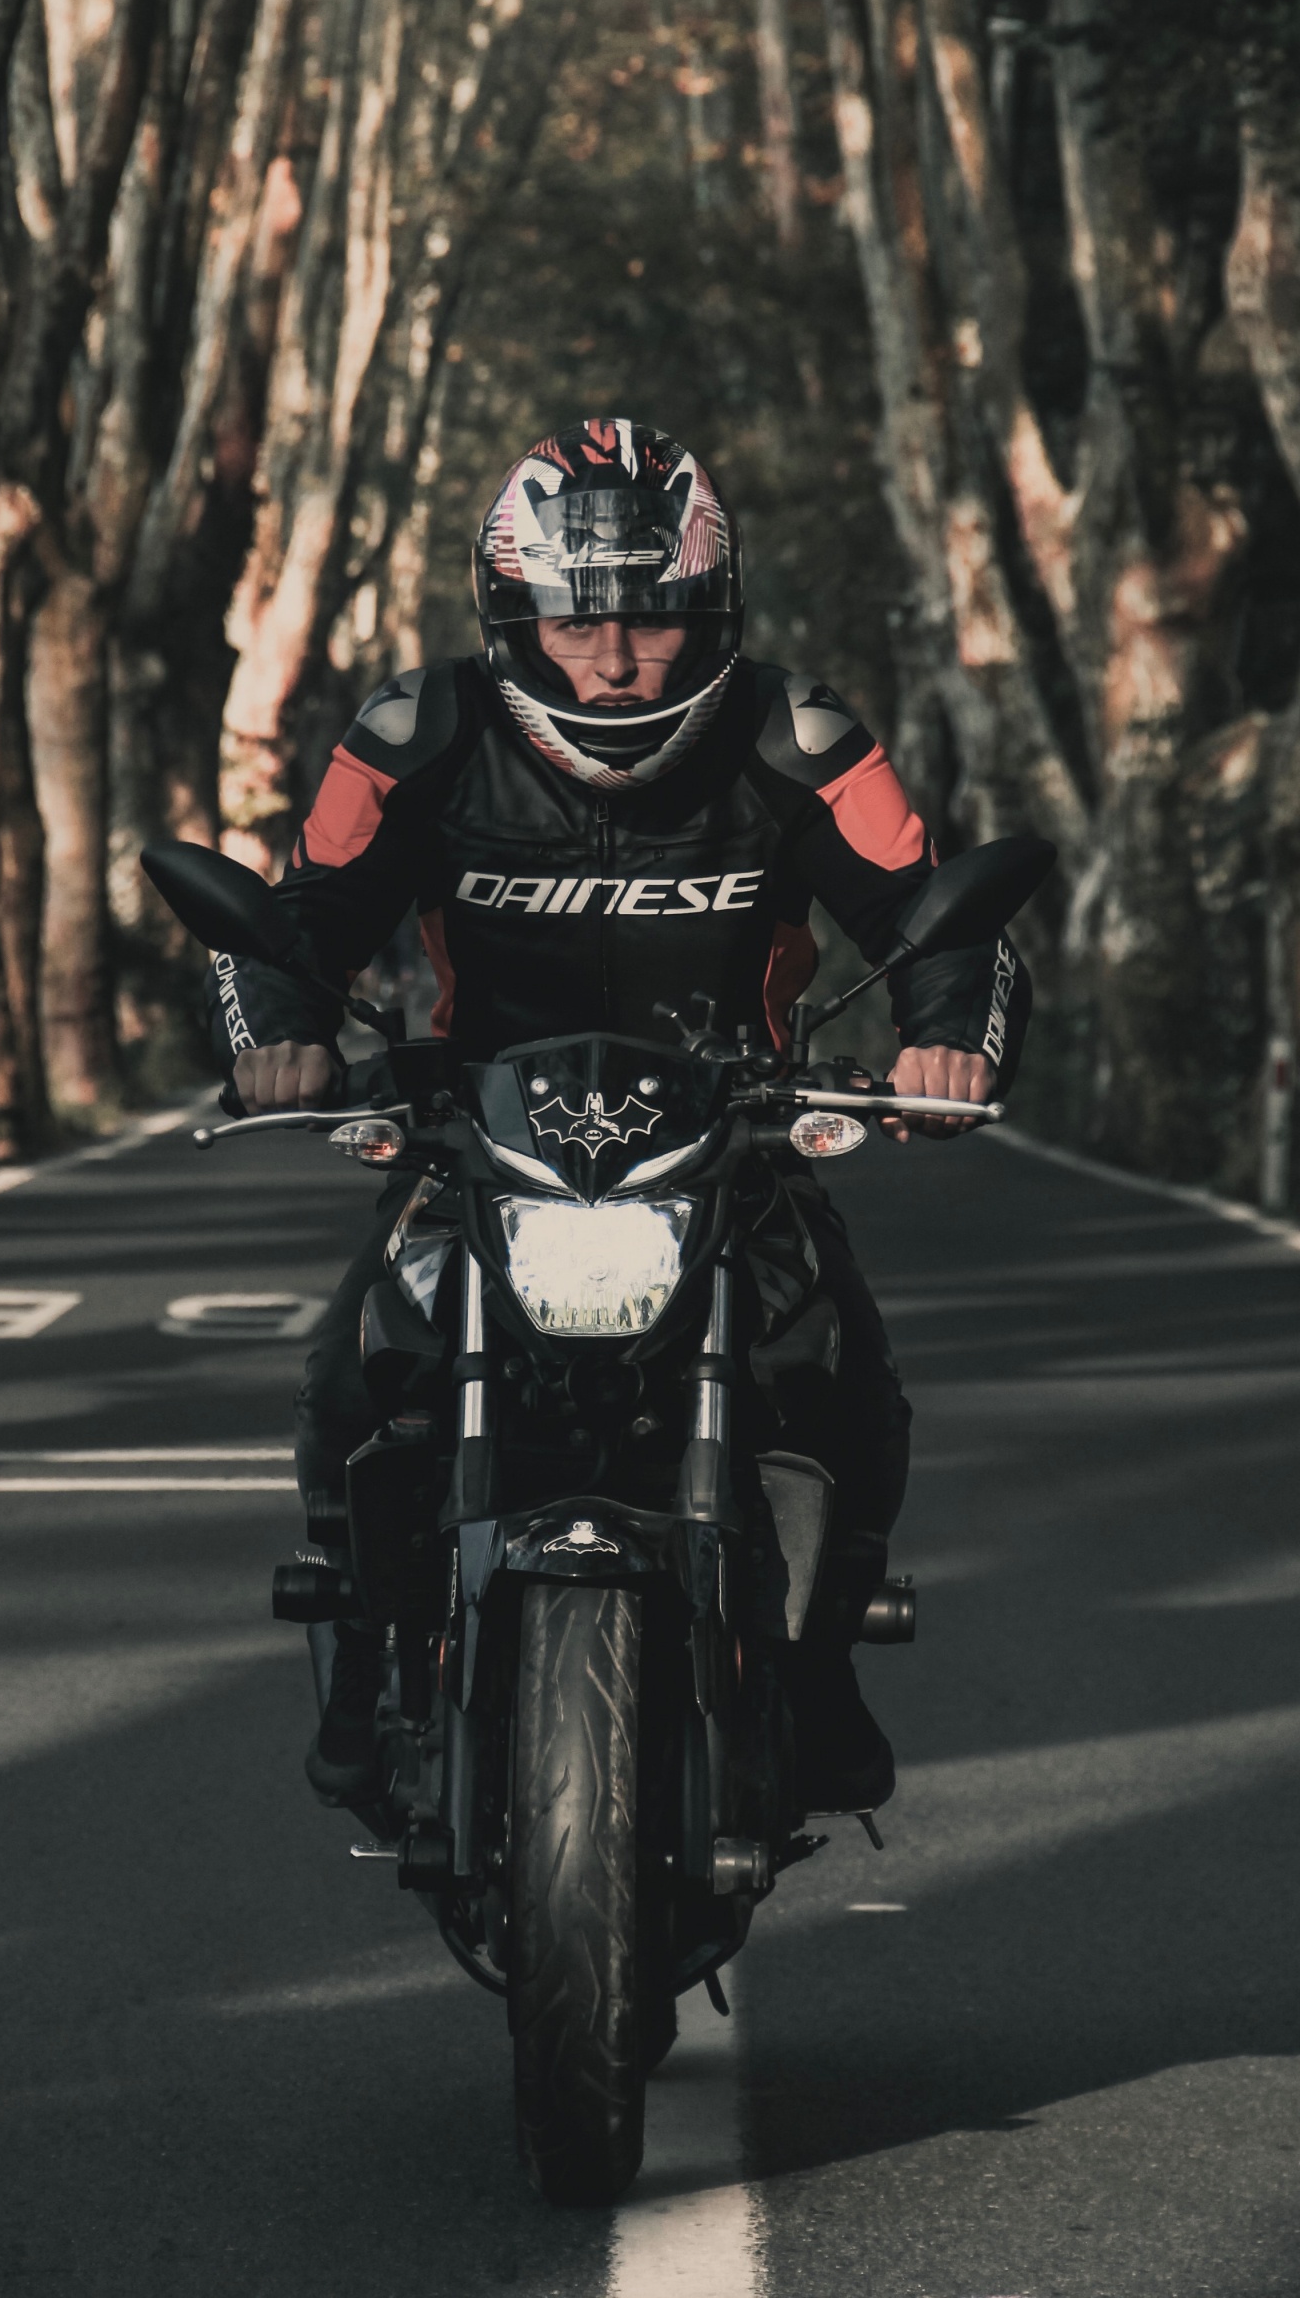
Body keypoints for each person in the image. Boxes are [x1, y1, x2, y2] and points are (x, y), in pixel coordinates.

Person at [208, 419, 1030, 1812]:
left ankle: (817, 1666)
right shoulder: (416, 733)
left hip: (738, 1133)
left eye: (655, 609)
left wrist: (946, 1046)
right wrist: (280, 1043)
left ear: (715, 607)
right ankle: (361, 1656)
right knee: (354, 1373)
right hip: (478, 1135)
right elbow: (295, 920)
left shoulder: (799, 733)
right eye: (575, 614)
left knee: (850, 1387)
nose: (616, 652)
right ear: (510, 611)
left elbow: (935, 918)